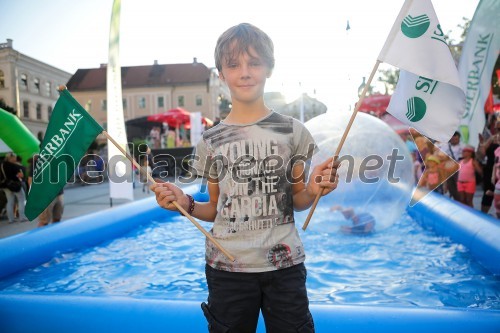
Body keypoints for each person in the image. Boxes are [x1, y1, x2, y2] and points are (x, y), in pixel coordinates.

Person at [151, 23, 340, 333]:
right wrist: (182, 202)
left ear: (269, 68)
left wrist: (315, 189)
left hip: (285, 266)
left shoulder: (293, 131)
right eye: (234, 63)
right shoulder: (211, 140)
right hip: (228, 268)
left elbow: (298, 200)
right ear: (221, 74)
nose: (245, 71)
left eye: (255, 62)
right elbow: (213, 208)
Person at [28, 154, 64, 227]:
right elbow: (30, 179)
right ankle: (40, 238)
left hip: (59, 193)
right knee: (44, 222)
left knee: (57, 219)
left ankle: (54, 237)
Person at [477, 122, 500, 213]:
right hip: (490, 169)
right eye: (497, 129)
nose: (497, 131)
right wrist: (482, 143)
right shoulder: (492, 139)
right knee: (488, 193)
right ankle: (484, 218)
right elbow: (481, 155)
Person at [0, 152, 27, 223]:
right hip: (15, 185)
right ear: (11, 158)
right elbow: (19, 175)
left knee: (10, 201)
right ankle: (22, 217)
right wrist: (20, 176)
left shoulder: (2, 165)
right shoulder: (14, 165)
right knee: (21, 199)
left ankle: (10, 219)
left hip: (5, 185)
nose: (15, 158)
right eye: (14, 157)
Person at [437, 131, 464, 201]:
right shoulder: (446, 146)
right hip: (449, 170)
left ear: (459, 138)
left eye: (456, 139)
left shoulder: (463, 146)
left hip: (459, 170)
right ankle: (455, 200)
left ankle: (461, 201)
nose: (454, 140)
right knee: (451, 188)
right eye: (453, 138)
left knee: (459, 188)